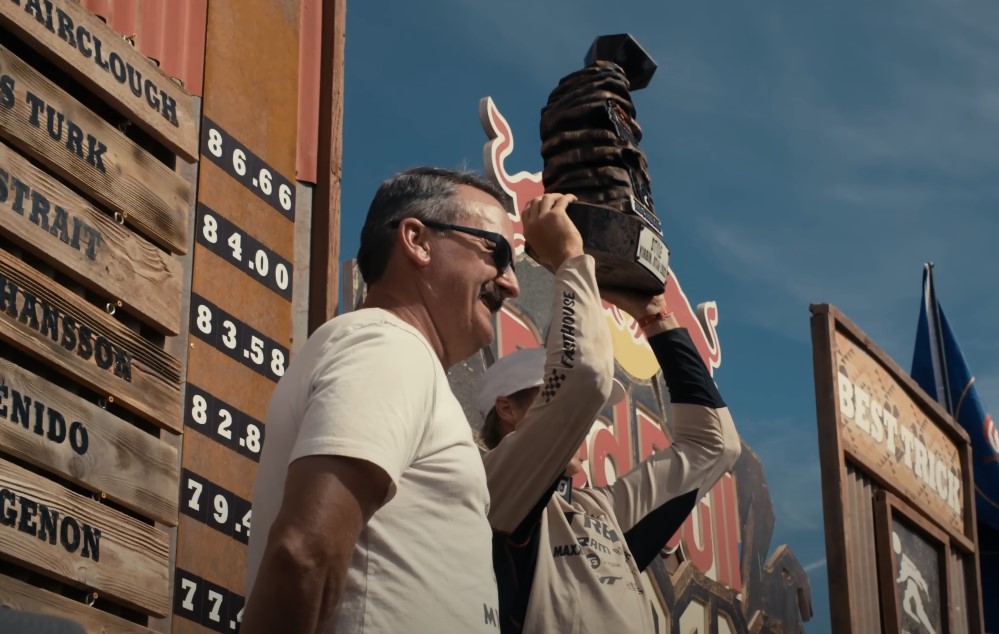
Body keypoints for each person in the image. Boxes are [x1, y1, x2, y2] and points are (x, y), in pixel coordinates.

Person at [243, 165, 578, 634]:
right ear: (417, 240)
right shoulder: (390, 345)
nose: (510, 283)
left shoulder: (397, 354)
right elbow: (304, 554)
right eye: (495, 252)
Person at [480, 281, 742, 633]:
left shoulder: (603, 509)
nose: (583, 421)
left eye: (589, 413)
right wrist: (571, 263)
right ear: (506, 406)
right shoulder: (487, 485)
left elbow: (715, 446)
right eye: (555, 398)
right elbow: (585, 379)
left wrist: (655, 316)